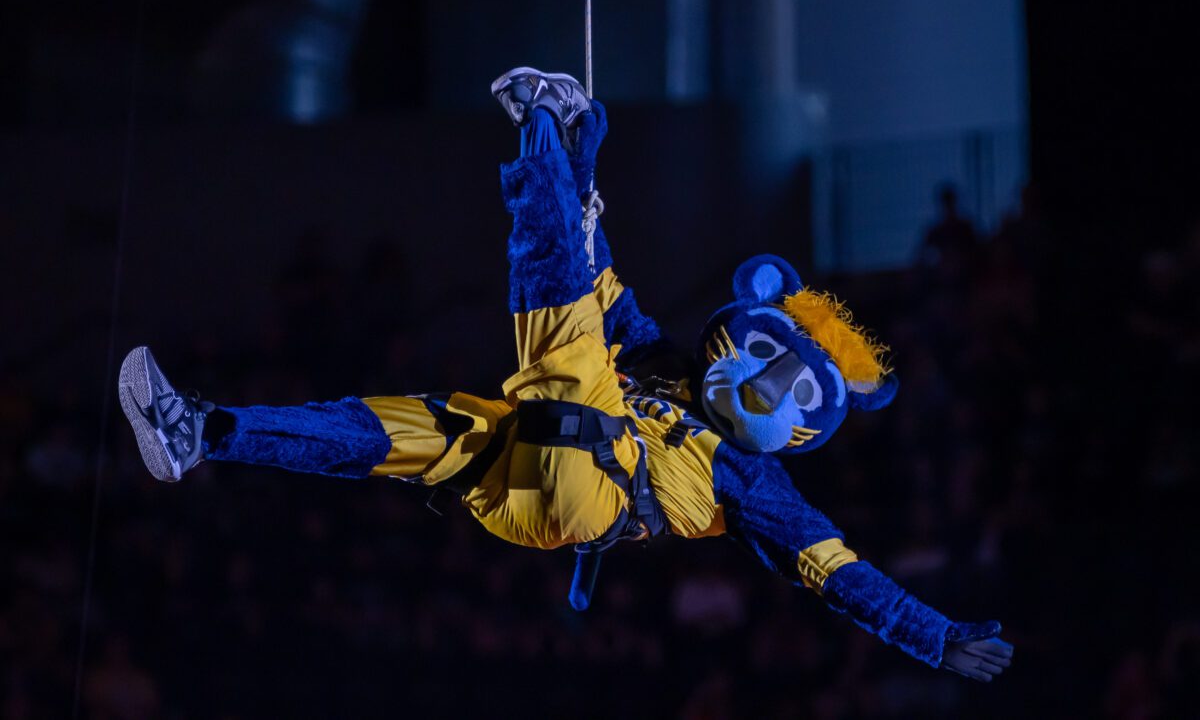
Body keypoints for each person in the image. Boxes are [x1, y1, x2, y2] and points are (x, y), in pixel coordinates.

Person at [118, 67, 1013, 680]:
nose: (770, 386)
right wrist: (587, 164)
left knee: (566, 343)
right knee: (394, 428)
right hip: (521, 478)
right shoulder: (661, 354)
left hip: (588, 488)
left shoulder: (760, 483)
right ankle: (201, 432)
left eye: (795, 390)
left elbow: (844, 576)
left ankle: (534, 125)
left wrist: (934, 638)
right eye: (772, 353)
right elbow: (595, 260)